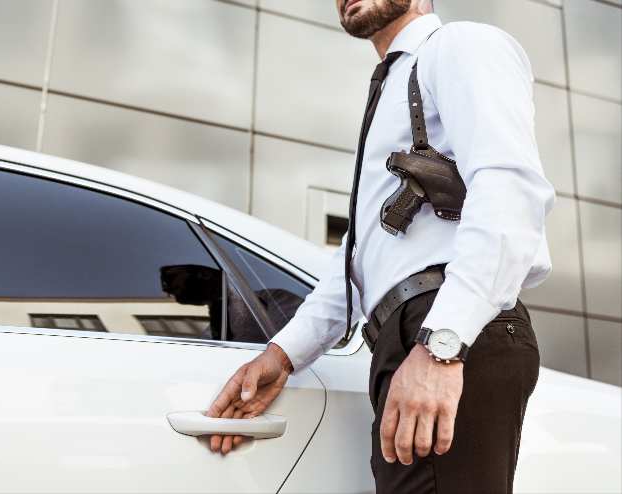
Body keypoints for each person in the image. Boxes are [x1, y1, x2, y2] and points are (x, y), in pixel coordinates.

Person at [205, 0, 555, 492]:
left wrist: (441, 347)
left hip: (447, 326)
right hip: (403, 335)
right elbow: (358, 258)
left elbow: (510, 191)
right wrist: (283, 353)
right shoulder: (392, 88)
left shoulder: (459, 45)